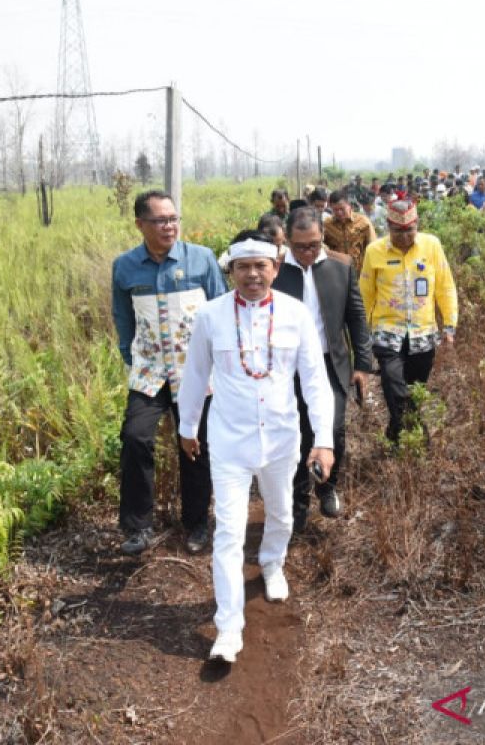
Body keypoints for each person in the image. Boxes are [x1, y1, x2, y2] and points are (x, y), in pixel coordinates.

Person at [178, 231, 336, 663]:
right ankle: (228, 629)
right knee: (228, 531)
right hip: (229, 440)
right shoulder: (210, 317)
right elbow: (194, 376)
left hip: (283, 437)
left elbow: (315, 382)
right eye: (243, 266)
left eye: (260, 265)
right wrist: (187, 426)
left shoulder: (296, 314)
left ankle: (272, 562)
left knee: (281, 511)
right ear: (231, 270)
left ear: (276, 266)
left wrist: (323, 440)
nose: (252, 274)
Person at [111, 190, 228, 555]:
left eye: (173, 218)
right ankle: (138, 527)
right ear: (140, 225)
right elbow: (123, 318)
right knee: (135, 437)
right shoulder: (125, 266)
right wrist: (133, 357)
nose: (169, 226)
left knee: (195, 446)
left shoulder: (201, 259)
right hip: (149, 372)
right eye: (160, 220)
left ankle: (196, 523)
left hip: (194, 372)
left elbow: (220, 309)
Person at [273, 207, 374, 533]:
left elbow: (356, 318)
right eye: (300, 246)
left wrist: (362, 365)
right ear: (287, 240)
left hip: (331, 365)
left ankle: (327, 488)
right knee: (296, 433)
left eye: (314, 244)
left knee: (333, 430)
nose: (308, 252)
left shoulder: (340, 267)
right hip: (287, 369)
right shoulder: (274, 271)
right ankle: (298, 501)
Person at [359, 200, 458, 444]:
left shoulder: (431, 245)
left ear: (417, 225)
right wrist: (360, 335)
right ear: (388, 228)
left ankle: (396, 438)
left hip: (423, 334)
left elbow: (445, 286)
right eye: (398, 232)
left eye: (409, 230)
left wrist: (449, 324)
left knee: (414, 391)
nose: (404, 237)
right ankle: (419, 439)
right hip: (386, 332)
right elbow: (364, 296)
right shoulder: (375, 251)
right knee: (394, 384)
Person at [324, 190, 376, 275]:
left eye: (342, 209)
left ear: (350, 206)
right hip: (337, 272)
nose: (339, 213)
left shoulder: (363, 221)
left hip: (361, 271)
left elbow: (373, 245)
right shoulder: (327, 225)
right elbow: (320, 245)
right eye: (335, 210)